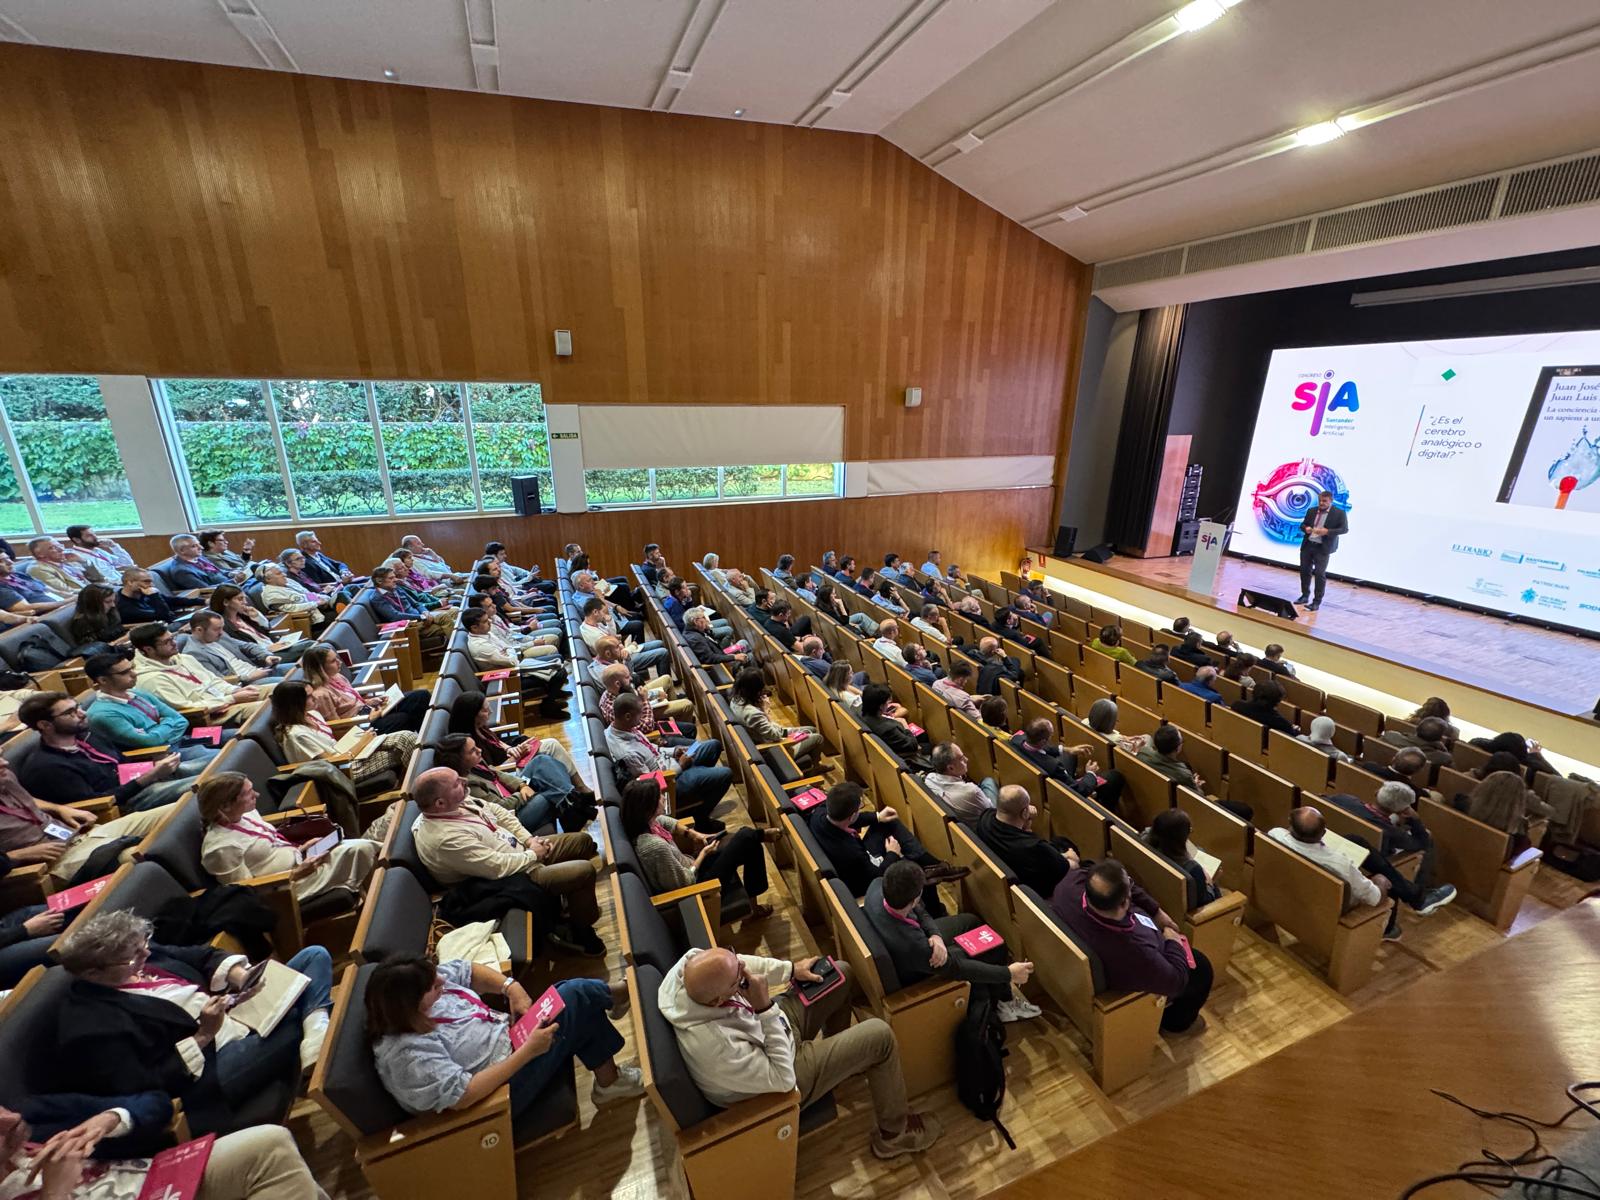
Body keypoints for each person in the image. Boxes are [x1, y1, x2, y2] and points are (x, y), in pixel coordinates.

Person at [49, 910, 333, 1134]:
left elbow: (202, 955)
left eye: (144, 946)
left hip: (237, 1014)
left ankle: (315, 1029)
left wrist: (241, 978)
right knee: (298, 1009)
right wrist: (203, 1035)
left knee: (314, 956)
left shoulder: (138, 956)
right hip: (210, 1069)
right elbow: (146, 1084)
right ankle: (314, 1027)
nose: (145, 956)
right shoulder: (89, 1025)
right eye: (134, 956)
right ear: (93, 973)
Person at [659, 946, 940, 1160]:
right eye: (738, 980)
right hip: (779, 1075)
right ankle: (894, 1134)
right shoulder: (715, 1047)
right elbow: (783, 1078)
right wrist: (765, 1009)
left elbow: (740, 963)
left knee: (839, 971)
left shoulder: (689, 966)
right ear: (719, 999)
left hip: (770, 1028)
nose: (744, 968)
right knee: (880, 1036)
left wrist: (790, 970)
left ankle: (841, 1065)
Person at [368, 955, 640, 1121]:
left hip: (512, 1038)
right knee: (574, 996)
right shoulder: (407, 1056)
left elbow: (467, 970)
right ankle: (623, 992)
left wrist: (511, 987)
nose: (442, 981)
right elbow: (464, 1095)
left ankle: (611, 1083)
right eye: (434, 986)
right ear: (410, 1003)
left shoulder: (422, 988)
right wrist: (528, 1052)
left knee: (569, 1000)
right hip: (498, 1094)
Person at [411, 766, 604, 956]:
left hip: (521, 851)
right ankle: (578, 930)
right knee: (584, 871)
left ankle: (568, 908)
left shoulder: (455, 801)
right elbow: (496, 867)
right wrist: (534, 855)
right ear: (440, 803)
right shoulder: (444, 838)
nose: (465, 781)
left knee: (582, 842)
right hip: (509, 879)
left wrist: (529, 840)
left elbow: (497, 812)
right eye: (456, 783)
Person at [0, 1102, 327, 1200]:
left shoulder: (30, 1124)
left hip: (163, 1180)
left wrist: (108, 1118)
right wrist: (55, 1194)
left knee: (270, 1147)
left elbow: (153, 1100)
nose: (11, 1118)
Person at [867, 859, 1039, 1025]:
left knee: (971, 921)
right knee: (994, 946)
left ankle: (997, 995)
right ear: (913, 900)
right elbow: (956, 968)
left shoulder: (878, 885)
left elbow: (921, 911)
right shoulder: (912, 945)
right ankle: (1004, 1004)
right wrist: (1008, 973)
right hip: (917, 965)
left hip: (917, 937)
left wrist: (936, 936)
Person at [1052, 859, 1212, 1034]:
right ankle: (1173, 1024)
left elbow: (1098, 873)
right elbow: (1176, 983)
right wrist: (1172, 942)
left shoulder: (1069, 885)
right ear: (1124, 903)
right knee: (1201, 971)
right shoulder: (1134, 951)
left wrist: (1155, 911)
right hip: (1139, 971)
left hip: (1089, 953)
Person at [1268, 806, 1455, 942]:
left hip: (1300, 881)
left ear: (1290, 826)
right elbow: (1373, 898)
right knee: (1386, 879)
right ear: (1323, 833)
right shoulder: (1339, 864)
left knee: (1355, 841)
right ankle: (1391, 926)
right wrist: (1380, 882)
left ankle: (1416, 896)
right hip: (1330, 901)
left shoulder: (1275, 834)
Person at [200, 772, 377, 907]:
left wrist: (302, 850)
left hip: (302, 862)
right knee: (362, 849)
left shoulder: (245, 813)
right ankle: (378, 903)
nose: (257, 795)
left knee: (360, 848)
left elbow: (271, 846)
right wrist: (296, 874)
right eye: (248, 793)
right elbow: (245, 892)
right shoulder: (220, 848)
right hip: (285, 889)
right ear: (225, 805)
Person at [17, 692, 207, 814]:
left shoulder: (87, 736)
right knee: (210, 783)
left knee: (220, 761)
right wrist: (148, 777)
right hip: (126, 801)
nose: (82, 714)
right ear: (45, 725)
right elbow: (97, 802)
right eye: (70, 713)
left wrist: (153, 767)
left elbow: (122, 761)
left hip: (142, 778)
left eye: (78, 707)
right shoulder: (48, 767)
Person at [621, 777, 776, 920]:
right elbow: (685, 883)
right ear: (649, 808)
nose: (663, 797)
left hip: (692, 866)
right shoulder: (654, 847)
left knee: (749, 843)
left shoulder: (647, 824)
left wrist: (695, 835)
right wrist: (703, 853)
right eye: (659, 796)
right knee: (745, 836)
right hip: (698, 887)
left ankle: (753, 907)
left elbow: (667, 822)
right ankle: (761, 835)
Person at [808, 782, 960, 917]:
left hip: (854, 861)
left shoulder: (820, 814)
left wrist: (877, 816)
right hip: (861, 880)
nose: (860, 811)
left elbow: (851, 819)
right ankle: (936, 912)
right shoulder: (851, 852)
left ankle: (931, 863)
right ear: (852, 815)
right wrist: (892, 854)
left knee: (888, 822)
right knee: (914, 870)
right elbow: (876, 876)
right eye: (860, 807)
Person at [446, 691, 592, 816]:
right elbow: (494, 774)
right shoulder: (467, 748)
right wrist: (515, 765)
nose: (490, 712)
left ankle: (576, 793)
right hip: (508, 774)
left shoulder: (480, 728)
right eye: (485, 710)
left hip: (509, 770)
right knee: (546, 760)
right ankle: (574, 797)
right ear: (472, 715)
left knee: (550, 749)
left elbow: (497, 746)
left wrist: (511, 749)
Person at [604, 693, 733, 832]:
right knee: (725, 773)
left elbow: (652, 748)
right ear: (628, 716)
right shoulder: (626, 752)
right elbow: (649, 785)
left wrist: (674, 751)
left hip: (670, 762)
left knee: (713, 745)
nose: (642, 717)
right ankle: (701, 819)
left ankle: (700, 784)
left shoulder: (626, 728)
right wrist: (681, 766)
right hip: (670, 782)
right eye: (640, 714)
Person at [269, 682, 417, 788]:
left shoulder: (312, 714)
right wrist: (362, 743)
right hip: (343, 771)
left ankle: (422, 782)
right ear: (295, 703)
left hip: (347, 755)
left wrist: (359, 742)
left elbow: (333, 746)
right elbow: (331, 763)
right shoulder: (296, 735)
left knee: (405, 736)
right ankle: (418, 788)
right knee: (402, 747)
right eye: (309, 697)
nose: (315, 698)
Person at [129, 623, 264, 724]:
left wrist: (234, 690)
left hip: (223, 699)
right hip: (208, 716)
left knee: (277, 690)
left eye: (172, 638)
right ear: (148, 649)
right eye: (167, 642)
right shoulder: (150, 679)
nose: (174, 643)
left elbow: (213, 680)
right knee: (265, 709)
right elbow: (186, 708)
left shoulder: (184, 658)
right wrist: (232, 699)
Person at [81, 652, 200, 753]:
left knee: (217, 742)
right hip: (162, 757)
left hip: (182, 742)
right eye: (125, 672)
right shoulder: (102, 714)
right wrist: (168, 722)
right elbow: (150, 742)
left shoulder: (139, 693)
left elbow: (181, 720)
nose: (134, 673)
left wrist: (160, 731)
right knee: (216, 762)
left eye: (132, 668)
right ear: (103, 680)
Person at [976, 784, 1079, 895]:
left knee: (1058, 842)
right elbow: (1070, 866)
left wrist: (1026, 821)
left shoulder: (984, 819)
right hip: (1041, 889)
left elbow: (1019, 834)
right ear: (1025, 812)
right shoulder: (1034, 846)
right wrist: (1069, 855)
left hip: (1006, 870)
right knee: (1067, 847)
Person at [299, 644, 427, 733]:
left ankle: (429, 738)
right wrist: (369, 718)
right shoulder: (320, 694)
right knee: (403, 718)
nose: (340, 662)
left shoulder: (337, 677)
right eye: (333, 661)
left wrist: (370, 701)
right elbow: (338, 726)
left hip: (369, 711)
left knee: (420, 696)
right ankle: (424, 747)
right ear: (320, 667)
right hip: (362, 725)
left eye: (337, 658)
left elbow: (354, 700)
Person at [729, 670, 824, 773]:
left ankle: (812, 765)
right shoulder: (753, 714)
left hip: (768, 736)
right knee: (818, 738)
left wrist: (787, 731)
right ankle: (814, 768)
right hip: (774, 748)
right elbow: (775, 735)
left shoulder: (735, 700)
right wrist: (766, 711)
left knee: (811, 729)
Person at [209, 586, 311, 662]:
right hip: (265, 657)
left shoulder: (243, 616)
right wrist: (266, 649)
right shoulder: (223, 626)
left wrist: (258, 617)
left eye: (244, 598)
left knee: (314, 646)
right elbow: (241, 649)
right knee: (312, 647)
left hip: (275, 646)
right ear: (226, 602)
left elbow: (267, 629)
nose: (245, 602)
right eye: (240, 599)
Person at [1142, 808, 1220, 905]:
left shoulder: (1144, 843)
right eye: (1189, 830)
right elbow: (1204, 901)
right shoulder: (1194, 870)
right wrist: (1210, 883)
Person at [180, 610, 282, 684]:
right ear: (199, 630)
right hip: (246, 683)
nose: (221, 632)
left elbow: (246, 646)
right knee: (289, 685)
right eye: (217, 629)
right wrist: (248, 677)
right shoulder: (193, 653)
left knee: (297, 670)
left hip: (258, 669)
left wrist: (265, 656)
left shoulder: (219, 635)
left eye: (222, 628)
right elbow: (217, 680)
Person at [1454, 771, 1538, 859]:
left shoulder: (1461, 804)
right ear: (1519, 801)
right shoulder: (1517, 834)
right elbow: (1521, 855)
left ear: (1484, 787)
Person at [1296, 489, 1349, 611]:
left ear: (1331, 501)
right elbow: (1302, 525)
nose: (1321, 503)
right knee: (1304, 571)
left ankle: (1316, 602)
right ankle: (1304, 596)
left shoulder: (1339, 513)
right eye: (1320, 500)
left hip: (1323, 548)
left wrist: (1328, 532)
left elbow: (1344, 529)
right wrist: (1307, 529)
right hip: (1308, 545)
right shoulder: (1311, 511)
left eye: (1324, 501)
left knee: (1319, 574)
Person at [858, 684, 929, 769]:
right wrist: (905, 724)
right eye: (887, 703)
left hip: (887, 745)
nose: (889, 705)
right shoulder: (888, 729)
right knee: (928, 744)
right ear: (881, 706)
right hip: (901, 755)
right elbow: (913, 746)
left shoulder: (862, 715)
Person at [922, 742, 997, 821]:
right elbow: (993, 814)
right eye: (961, 758)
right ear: (951, 768)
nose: (966, 759)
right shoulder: (972, 791)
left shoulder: (930, 779)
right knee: (988, 781)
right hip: (981, 826)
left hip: (961, 816)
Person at [252, 562, 332, 628]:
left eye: (282, 572)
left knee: (339, 598)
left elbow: (306, 594)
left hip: (320, 608)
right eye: (279, 573)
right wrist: (316, 603)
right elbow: (292, 608)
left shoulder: (288, 581)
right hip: (310, 620)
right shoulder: (270, 595)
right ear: (268, 579)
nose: (284, 575)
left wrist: (319, 598)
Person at [1135, 724, 1207, 793]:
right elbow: (1198, 796)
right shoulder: (1184, 775)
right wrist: (1197, 786)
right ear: (1178, 748)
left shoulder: (1143, 753)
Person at [116, 566, 197, 627]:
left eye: (151, 582)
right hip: (151, 631)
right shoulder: (122, 605)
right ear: (130, 582)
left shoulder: (143, 593)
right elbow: (166, 618)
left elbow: (170, 600)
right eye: (146, 581)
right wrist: (154, 596)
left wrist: (203, 601)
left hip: (164, 625)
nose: (151, 585)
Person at [25, 537, 106, 594]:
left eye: (59, 545)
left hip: (95, 591)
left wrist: (83, 561)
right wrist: (97, 591)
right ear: (40, 554)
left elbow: (98, 578)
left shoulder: (67, 560)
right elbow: (66, 592)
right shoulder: (38, 569)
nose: (61, 549)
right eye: (52, 548)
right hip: (83, 599)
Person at [162, 534, 240, 590]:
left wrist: (231, 573)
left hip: (233, 584)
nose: (201, 547)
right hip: (228, 592)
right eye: (194, 546)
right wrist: (234, 581)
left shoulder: (199, 557)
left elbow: (218, 571)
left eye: (199, 544)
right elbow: (206, 590)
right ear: (182, 550)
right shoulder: (182, 571)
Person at [683, 606, 748, 668]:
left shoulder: (694, 631)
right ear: (696, 621)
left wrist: (707, 629)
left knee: (743, 643)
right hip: (722, 663)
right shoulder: (695, 639)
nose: (707, 620)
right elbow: (711, 658)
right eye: (704, 617)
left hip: (720, 653)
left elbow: (711, 641)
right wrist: (734, 657)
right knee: (748, 655)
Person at [1232, 678, 1298, 736]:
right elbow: (1293, 736)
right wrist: (1295, 730)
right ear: (1277, 702)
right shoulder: (1281, 723)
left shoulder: (1237, 705)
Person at [292, 531, 357, 588]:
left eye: (317, 540)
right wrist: (341, 582)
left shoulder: (318, 554)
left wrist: (344, 572)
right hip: (336, 589)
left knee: (367, 583)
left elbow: (339, 564)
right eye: (314, 542)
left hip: (344, 583)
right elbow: (316, 585)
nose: (319, 543)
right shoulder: (305, 562)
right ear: (304, 545)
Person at [1381, 716, 1454, 766]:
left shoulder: (1390, 736)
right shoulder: (1442, 758)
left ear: (1416, 729)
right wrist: (1444, 751)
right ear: (1440, 739)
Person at [63, 524, 135, 574]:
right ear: (77, 540)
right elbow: (103, 579)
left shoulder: (97, 550)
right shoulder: (77, 557)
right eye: (89, 536)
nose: (95, 537)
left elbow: (127, 563)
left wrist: (114, 546)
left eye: (94, 534)